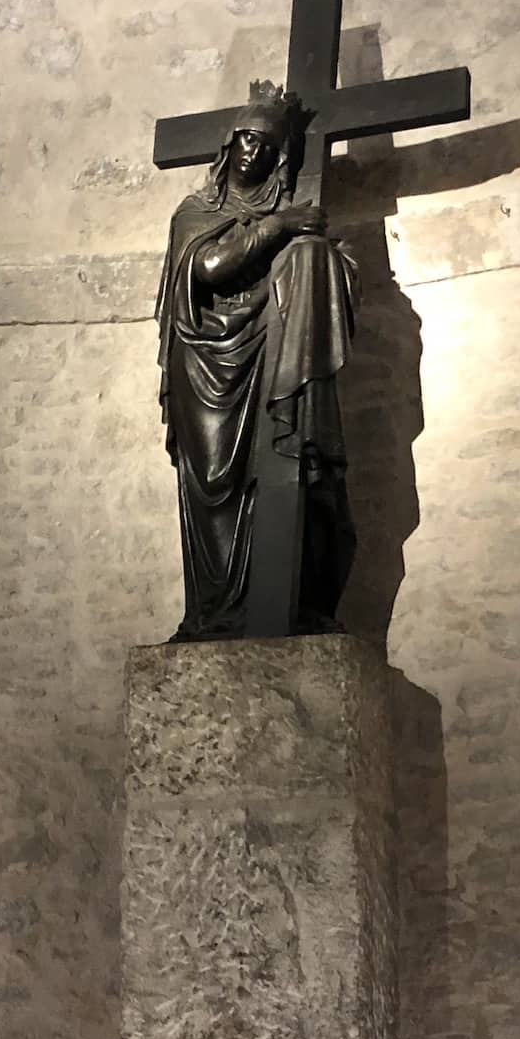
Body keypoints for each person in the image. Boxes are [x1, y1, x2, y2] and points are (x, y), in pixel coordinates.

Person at [155, 83, 359, 639]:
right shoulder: (195, 212)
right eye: (245, 139)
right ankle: (217, 611)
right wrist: (280, 226)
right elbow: (212, 267)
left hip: (274, 350)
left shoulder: (292, 220)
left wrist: (322, 264)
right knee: (215, 492)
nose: (254, 152)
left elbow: (323, 273)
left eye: (267, 146)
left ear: (280, 157)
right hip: (206, 367)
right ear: (227, 147)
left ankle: (295, 604)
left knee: (294, 477)